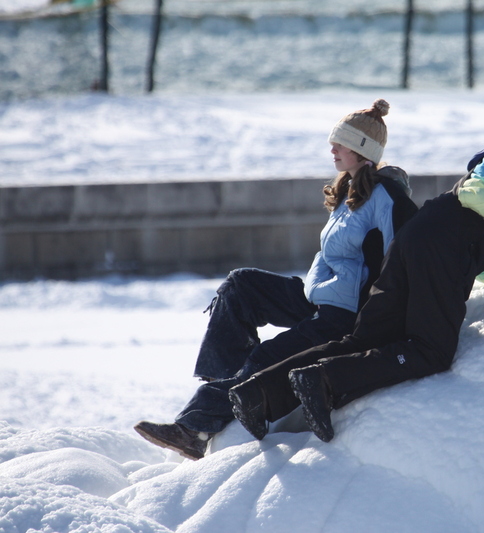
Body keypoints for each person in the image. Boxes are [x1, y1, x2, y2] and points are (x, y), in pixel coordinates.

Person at [226, 113, 484, 444]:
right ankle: (322, 379)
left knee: (367, 338)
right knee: (432, 350)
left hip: (417, 241)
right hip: (441, 251)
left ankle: (259, 394)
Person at [133, 99, 418, 459]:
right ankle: (226, 379)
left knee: (268, 356)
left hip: (346, 314)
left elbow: (404, 257)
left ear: (362, 150)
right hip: (318, 297)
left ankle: (196, 429)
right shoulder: (350, 190)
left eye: (341, 143)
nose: (332, 148)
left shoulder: (386, 196)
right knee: (241, 285)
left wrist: (380, 318)